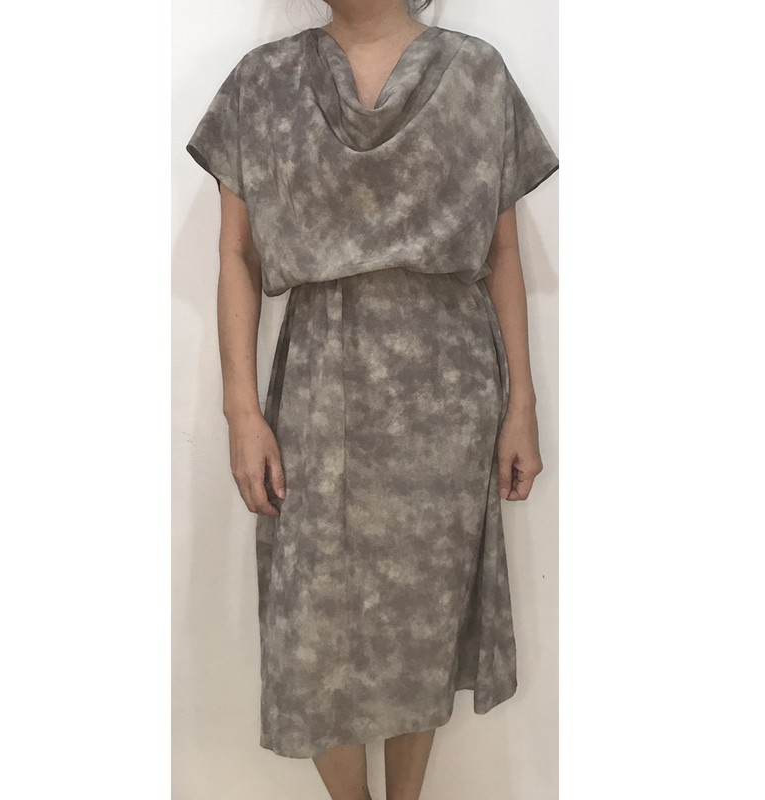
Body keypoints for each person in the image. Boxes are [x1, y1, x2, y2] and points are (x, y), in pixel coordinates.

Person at [185, 0, 558, 797]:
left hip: (448, 395)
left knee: (423, 620)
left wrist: (521, 404)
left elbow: (502, 253)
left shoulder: (477, 73)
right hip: (317, 395)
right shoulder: (262, 81)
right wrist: (240, 409)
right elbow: (235, 254)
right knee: (314, 635)